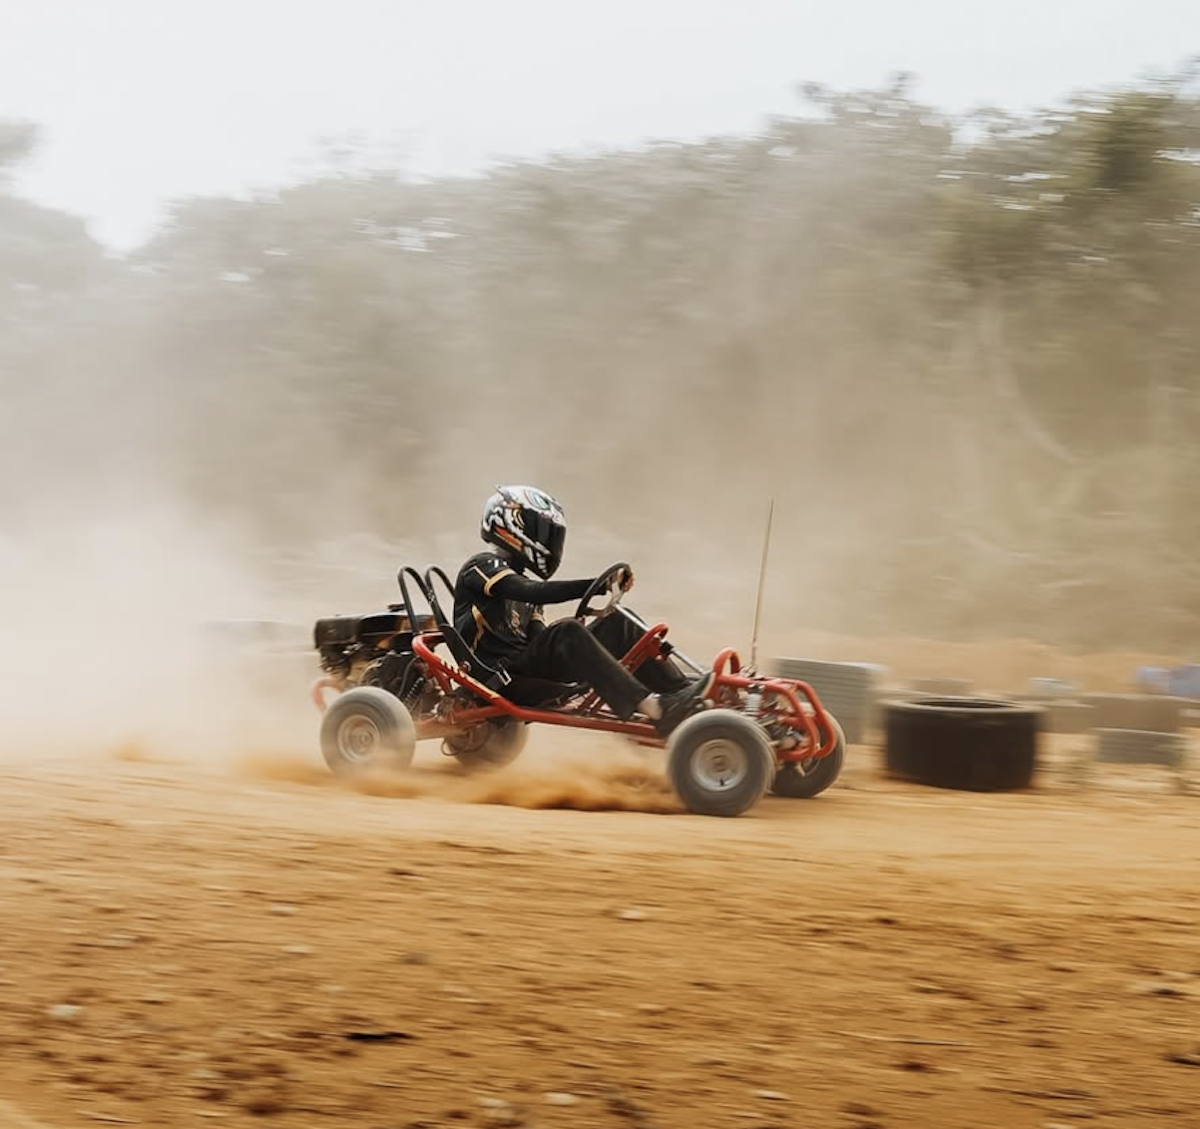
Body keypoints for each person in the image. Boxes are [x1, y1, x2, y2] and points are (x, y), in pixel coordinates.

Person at [452, 485, 712, 736]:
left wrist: (586, 644)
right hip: (501, 680)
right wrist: (597, 587)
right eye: (542, 531)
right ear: (513, 525)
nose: (548, 540)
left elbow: (540, 638)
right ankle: (654, 708)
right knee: (568, 631)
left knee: (618, 622)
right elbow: (531, 591)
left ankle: (681, 695)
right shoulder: (482, 566)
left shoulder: (522, 584)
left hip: (526, 672)